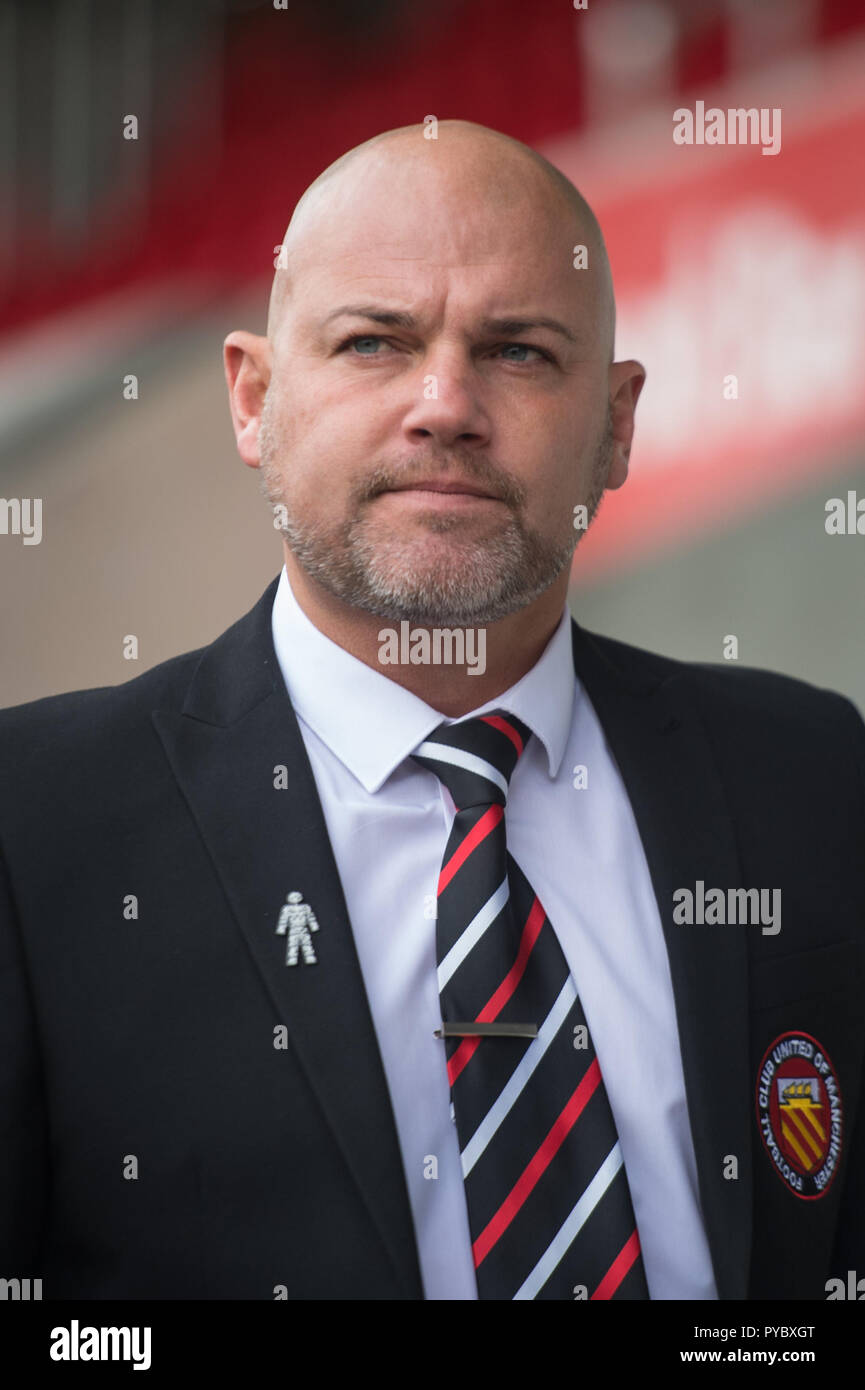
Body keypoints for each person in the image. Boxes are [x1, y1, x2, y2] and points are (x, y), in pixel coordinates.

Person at [1, 120, 862, 1302]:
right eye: (372, 342)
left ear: (615, 425)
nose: (444, 404)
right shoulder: (32, 826)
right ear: (252, 400)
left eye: (517, 352)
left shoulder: (812, 774)